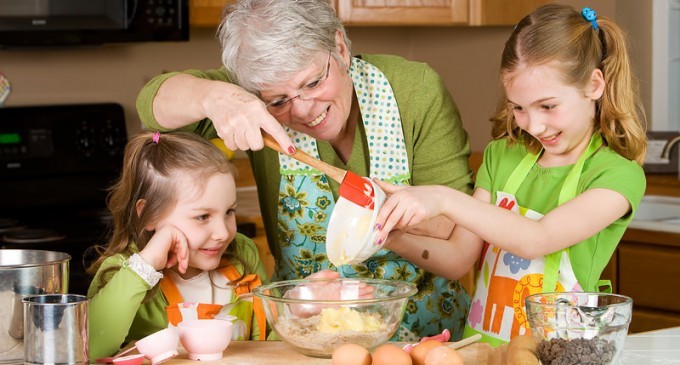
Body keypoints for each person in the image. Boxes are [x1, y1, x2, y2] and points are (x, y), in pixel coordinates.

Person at [136, 0, 474, 342]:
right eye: (280, 101)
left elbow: (455, 224)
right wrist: (216, 98)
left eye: (312, 83)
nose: (304, 110)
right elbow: (150, 105)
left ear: (339, 48)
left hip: (431, 335)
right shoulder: (254, 100)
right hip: (306, 341)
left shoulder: (413, 90)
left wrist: (379, 218)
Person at [373, 4, 647, 346]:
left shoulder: (617, 176)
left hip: (557, 354)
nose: (533, 125)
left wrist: (442, 199)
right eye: (519, 107)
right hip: (484, 350)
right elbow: (459, 258)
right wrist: (386, 233)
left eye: (547, 106)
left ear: (594, 85)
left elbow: (537, 239)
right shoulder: (502, 157)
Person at [87, 131, 271, 359]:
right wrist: (147, 264)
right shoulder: (123, 272)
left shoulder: (243, 253)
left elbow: (273, 333)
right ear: (149, 215)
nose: (223, 233)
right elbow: (90, 349)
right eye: (202, 216)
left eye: (229, 211)